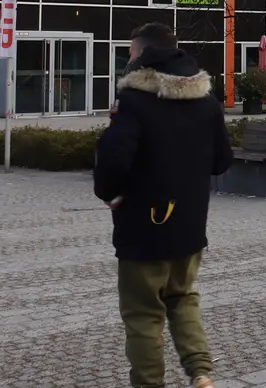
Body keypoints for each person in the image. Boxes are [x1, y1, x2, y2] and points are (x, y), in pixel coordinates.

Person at [95, 23, 234, 388]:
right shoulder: (206, 100)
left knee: (143, 315)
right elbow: (221, 160)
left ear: (140, 55)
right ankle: (201, 373)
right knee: (183, 297)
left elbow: (113, 158)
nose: (128, 59)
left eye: (129, 52)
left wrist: (110, 193)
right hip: (189, 225)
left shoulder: (133, 101)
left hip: (143, 225)